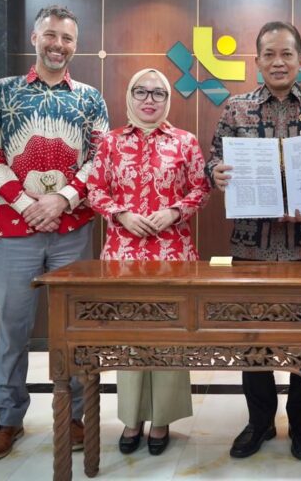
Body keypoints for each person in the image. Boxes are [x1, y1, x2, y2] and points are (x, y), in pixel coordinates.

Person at [207, 21, 301, 461]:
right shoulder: (236, 108)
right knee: (254, 341)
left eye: (286, 54)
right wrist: (216, 173)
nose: (278, 62)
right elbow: (215, 158)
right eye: (269, 54)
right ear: (257, 61)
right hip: (251, 246)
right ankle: (260, 422)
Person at [0, 5, 109, 461]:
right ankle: (8, 418)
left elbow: (99, 160)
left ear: (76, 45)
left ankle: (74, 415)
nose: (58, 45)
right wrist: (28, 205)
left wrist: (63, 199)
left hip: (72, 227)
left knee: (73, 327)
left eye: (67, 38)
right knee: (13, 327)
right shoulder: (3, 91)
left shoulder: (90, 98)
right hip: (14, 228)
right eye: (50, 35)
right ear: (35, 38)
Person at [87, 68, 209, 455]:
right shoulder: (110, 142)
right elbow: (94, 189)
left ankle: (162, 420)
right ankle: (131, 418)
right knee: (130, 339)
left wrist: (173, 211)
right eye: (141, 92)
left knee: (169, 338)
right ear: (130, 96)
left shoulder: (185, 142)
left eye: (158, 93)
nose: (149, 100)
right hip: (123, 256)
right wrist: (121, 214)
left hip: (173, 254)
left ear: (168, 99)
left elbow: (201, 188)